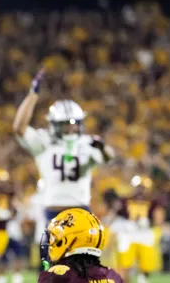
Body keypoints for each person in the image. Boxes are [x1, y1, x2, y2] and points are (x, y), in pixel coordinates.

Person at [13, 69, 114, 265]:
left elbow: (108, 156)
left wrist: (102, 147)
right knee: (50, 268)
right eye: (67, 124)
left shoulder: (86, 143)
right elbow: (19, 127)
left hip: (81, 212)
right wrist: (33, 95)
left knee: (85, 268)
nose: (72, 128)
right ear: (54, 125)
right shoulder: (44, 142)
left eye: (75, 123)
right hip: (54, 212)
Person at [110, 175, 166, 283]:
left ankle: (143, 278)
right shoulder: (124, 201)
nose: (140, 191)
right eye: (138, 187)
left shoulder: (153, 202)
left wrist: (148, 223)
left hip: (145, 235)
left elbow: (159, 219)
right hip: (128, 235)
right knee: (124, 264)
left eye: (143, 188)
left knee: (146, 265)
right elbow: (114, 215)